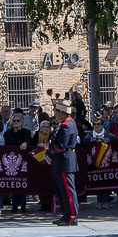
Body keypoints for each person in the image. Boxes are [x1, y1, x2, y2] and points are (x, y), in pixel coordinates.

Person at [47, 97, 81, 226]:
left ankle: (72, 216)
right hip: (59, 161)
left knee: (68, 191)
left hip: (65, 161)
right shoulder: (63, 124)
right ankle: (66, 215)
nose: (55, 113)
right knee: (62, 191)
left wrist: (48, 147)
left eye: (56, 111)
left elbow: (61, 145)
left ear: (61, 112)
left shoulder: (67, 125)